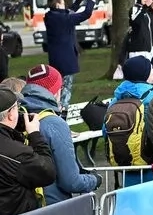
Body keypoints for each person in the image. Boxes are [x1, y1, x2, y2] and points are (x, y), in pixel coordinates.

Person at [18, 65, 98, 205]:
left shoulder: (16, 117)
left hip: (22, 206)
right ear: (55, 91)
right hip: (53, 207)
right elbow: (71, 181)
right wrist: (95, 180)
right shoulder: (54, 123)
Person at [0, 89, 57, 215]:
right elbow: (47, 172)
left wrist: (14, 131)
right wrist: (35, 135)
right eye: (17, 107)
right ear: (10, 114)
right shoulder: (16, 153)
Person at [43, 0, 95, 109]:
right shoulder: (64, 19)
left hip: (55, 59)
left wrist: (78, 1)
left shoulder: (50, 16)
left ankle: (56, 108)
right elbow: (86, 14)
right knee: (66, 88)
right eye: (63, 3)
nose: (65, 5)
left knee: (57, 87)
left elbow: (68, 12)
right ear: (57, 5)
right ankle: (62, 111)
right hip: (66, 60)